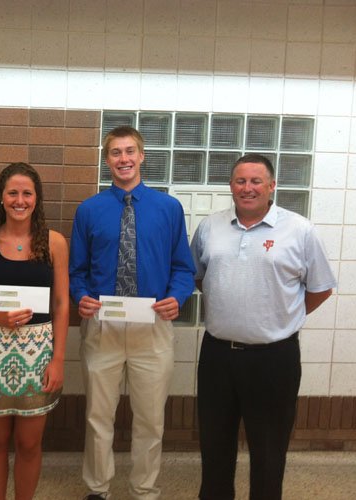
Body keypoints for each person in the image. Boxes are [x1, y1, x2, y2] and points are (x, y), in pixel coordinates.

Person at [190, 153, 336, 500]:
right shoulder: (210, 227)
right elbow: (199, 278)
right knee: (214, 446)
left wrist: (282, 317)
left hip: (274, 358)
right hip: (218, 355)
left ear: (272, 186)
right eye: (240, 181)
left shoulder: (299, 229)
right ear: (231, 186)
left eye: (256, 181)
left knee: (269, 452)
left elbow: (321, 288)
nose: (248, 188)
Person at [69, 126, 196, 500]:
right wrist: (81, 297)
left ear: (142, 157)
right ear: (106, 159)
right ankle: (97, 489)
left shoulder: (168, 208)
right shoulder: (89, 210)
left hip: (152, 327)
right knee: (98, 418)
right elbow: (77, 271)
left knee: (150, 420)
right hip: (102, 326)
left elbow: (183, 267)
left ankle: (144, 490)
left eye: (129, 152)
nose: (123, 159)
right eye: (115, 153)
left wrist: (177, 297)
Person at [0, 162, 69, 500]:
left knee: (29, 442)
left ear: (37, 198)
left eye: (27, 193)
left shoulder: (54, 243)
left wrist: (58, 359)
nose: (20, 200)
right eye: (13, 193)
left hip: (40, 351)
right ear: (1, 198)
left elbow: (63, 303)